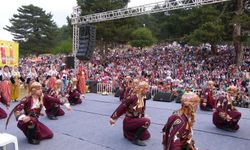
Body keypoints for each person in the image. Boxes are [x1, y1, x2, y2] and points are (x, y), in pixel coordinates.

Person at [110, 81, 151, 146]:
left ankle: (128, 134)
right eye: (146, 89)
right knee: (147, 121)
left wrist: (143, 115)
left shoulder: (143, 98)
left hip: (135, 120)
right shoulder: (132, 97)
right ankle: (135, 140)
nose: (148, 90)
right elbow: (122, 107)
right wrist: (113, 118)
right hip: (129, 121)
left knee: (147, 136)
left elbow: (142, 110)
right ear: (141, 89)